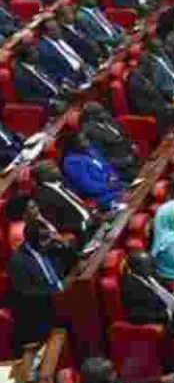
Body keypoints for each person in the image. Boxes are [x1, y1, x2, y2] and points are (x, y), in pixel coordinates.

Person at [9, 216, 75, 347]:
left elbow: (74, 260)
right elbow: (27, 292)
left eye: (48, 236)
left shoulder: (50, 245)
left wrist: (64, 243)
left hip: (63, 294)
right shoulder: (18, 261)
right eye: (43, 239)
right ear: (31, 241)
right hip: (45, 308)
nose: (47, 242)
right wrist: (57, 291)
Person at [62, 132, 125, 210]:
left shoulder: (90, 149)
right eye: (83, 139)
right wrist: (108, 186)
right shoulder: (71, 162)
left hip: (115, 186)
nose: (87, 140)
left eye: (86, 137)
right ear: (74, 144)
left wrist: (113, 177)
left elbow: (106, 165)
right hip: (101, 196)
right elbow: (88, 186)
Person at [35, 160, 95, 238]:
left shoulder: (60, 182)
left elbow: (76, 202)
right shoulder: (42, 196)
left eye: (56, 166)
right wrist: (83, 225)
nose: (57, 169)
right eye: (53, 168)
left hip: (92, 221)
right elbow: (57, 223)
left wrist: (92, 213)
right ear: (44, 175)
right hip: (82, 233)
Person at [38, 20, 94, 86]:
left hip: (86, 70)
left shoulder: (62, 37)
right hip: (74, 80)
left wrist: (84, 63)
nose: (58, 30)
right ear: (45, 33)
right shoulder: (43, 49)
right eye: (54, 29)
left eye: (57, 27)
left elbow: (77, 51)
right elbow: (53, 70)